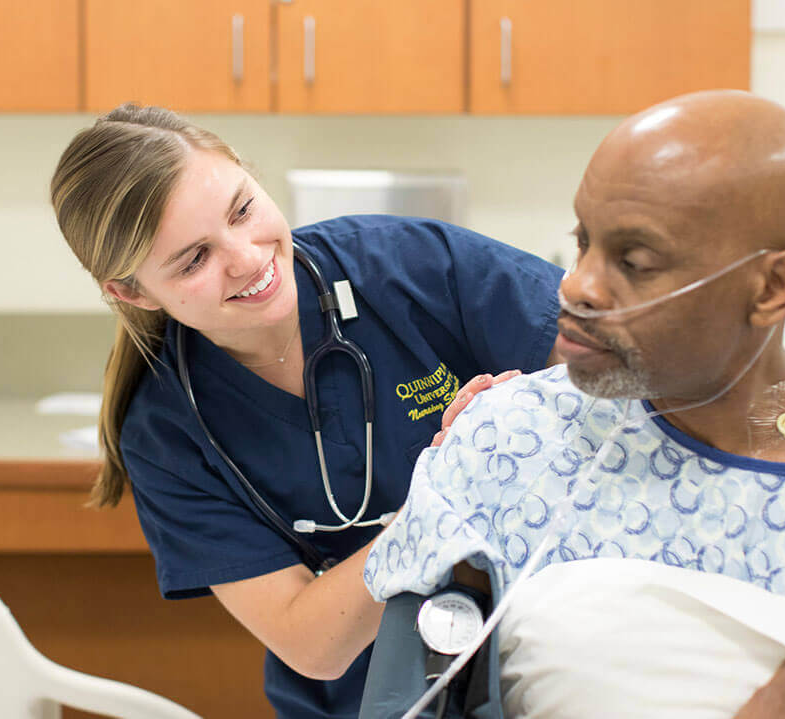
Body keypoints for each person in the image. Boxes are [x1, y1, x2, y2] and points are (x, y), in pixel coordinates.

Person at [49, 103, 563, 719]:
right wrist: (451, 486)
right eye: (193, 259)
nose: (246, 258)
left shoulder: (407, 268)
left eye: (242, 210)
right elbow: (314, 645)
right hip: (365, 703)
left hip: (549, 667)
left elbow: (616, 375)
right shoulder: (167, 431)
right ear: (130, 291)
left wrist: (524, 414)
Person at [363, 89, 785, 718]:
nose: (577, 285)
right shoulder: (506, 441)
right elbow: (404, 700)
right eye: (584, 240)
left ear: (771, 286)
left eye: (634, 260)